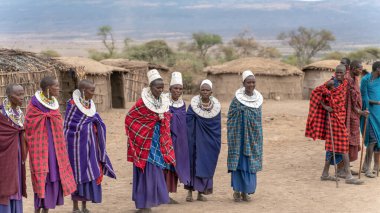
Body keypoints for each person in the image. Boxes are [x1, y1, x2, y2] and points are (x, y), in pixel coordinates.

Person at [125, 69, 175, 212]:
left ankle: (148, 202)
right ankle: (143, 204)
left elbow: (166, 118)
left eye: (161, 88)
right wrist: (150, 124)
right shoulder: (142, 103)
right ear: (150, 87)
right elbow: (130, 118)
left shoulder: (162, 102)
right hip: (144, 143)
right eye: (157, 87)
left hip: (157, 141)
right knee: (146, 170)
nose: (160, 90)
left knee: (155, 170)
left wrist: (162, 119)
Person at [24, 76, 76, 213]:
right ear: (48, 88)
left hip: (54, 148)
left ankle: (46, 209)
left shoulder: (53, 103)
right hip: (41, 148)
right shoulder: (34, 104)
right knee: (42, 176)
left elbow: (58, 122)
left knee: (53, 175)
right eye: (56, 86)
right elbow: (28, 124)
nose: (59, 88)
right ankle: (37, 210)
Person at [64, 80, 116, 213]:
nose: (94, 93)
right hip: (75, 147)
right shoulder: (72, 105)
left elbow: (94, 120)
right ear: (83, 91)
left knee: (90, 170)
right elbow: (70, 126)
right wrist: (87, 126)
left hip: (90, 145)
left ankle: (84, 206)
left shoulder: (90, 105)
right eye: (91, 91)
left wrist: (95, 125)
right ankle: (75, 206)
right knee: (77, 173)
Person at [305, 65, 363, 185]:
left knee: (332, 146)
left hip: (341, 116)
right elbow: (316, 92)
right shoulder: (331, 82)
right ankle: (348, 176)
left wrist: (359, 111)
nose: (339, 74)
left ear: (345, 72)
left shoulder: (346, 83)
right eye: (337, 72)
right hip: (333, 117)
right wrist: (325, 106)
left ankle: (325, 174)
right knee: (343, 145)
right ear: (334, 72)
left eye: (341, 72)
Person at [227, 70, 263, 202]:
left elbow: (258, 121)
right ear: (243, 83)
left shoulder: (258, 101)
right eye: (248, 82)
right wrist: (240, 114)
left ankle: (246, 192)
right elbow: (230, 117)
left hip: (252, 138)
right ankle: (237, 191)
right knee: (239, 163)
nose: (251, 84)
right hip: (239, 139)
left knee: (249, 164)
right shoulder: (237, 100)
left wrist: (253, 132)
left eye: (253, 82)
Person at [185, 79, 221, 202]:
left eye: (207, 90)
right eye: (203, 90)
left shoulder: (216, 108)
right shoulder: (193, 106)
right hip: (194, 141)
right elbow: (188, 120)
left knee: (205, 163)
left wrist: (213, 141)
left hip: (208, 142)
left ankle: (201, 192)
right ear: (199, 91)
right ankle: (189, 192)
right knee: (192, 164)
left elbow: (216, 126)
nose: (205, 92)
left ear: (211, 92)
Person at [163, 72, 190, 204]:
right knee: (164, 166)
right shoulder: (163, 101)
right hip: (164, 140)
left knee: (172, 167)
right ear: (170, 89)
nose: (178, 91)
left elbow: (183, 122)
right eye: (175, 88)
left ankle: (167, 195)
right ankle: (162, 194)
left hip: (177, 141)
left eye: (180, 89)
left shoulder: (182, 104)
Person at [0, 84, 27, 213]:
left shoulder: (19, 113)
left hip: (16, 154)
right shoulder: (2, 113)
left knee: (16, 179)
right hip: (5, 157)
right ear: (10, 97)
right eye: (19, 95)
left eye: (23, 94)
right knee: (6, 181)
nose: (22, 97)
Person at [343, 61, 369, 172]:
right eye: (359, 68)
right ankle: (343, 169)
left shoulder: (355, 79)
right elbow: (349, 101)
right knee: (347, 141)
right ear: (353, 68)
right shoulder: (347, 80)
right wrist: (361, 112)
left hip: (354, 116)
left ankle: (346, 168)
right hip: (348, 115)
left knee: (352, 141)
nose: (360, 70)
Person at [360, 61, 380, 178]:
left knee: (378, 141)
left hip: (379, 115)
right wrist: (377, 102)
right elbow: (364, 98)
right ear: (378, 69)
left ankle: (375, 167)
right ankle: (367, 168)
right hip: (369, 113)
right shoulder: (365, 80)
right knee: (372, 140)